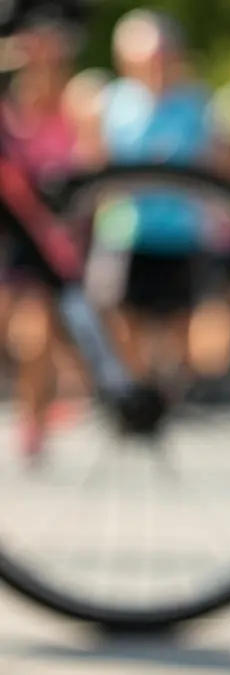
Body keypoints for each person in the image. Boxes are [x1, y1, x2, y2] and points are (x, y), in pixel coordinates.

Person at [100, 9, 212, 383]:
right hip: (126, 229)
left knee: (179, 314)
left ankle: (168, 387)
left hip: (179, 230)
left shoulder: (194, 104)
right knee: (120, 311)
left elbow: (213, 159)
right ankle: (135, 382)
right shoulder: (111, 103)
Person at [0, 16, 78, 460]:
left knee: (38, 333)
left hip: (55, 235)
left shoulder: (75, 108)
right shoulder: (12, 111)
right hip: (17, 234)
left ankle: (34, 422)